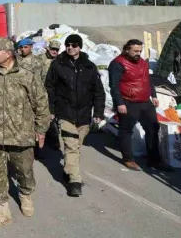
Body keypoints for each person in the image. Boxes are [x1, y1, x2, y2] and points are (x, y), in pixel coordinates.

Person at [0, 38, 50, 230]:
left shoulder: (27, 76)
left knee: (24, 171)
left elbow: (41, 103)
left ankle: (25, 194)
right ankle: (2, 210)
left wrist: (41, 129)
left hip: (21, 134)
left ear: (8, 53)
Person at [44, 34, 105, 197]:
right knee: (71, 145)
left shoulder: (90, 67)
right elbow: (49, 87)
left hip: (84, 114)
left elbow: (98, 91)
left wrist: (98, 112)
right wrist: (51, 109)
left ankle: (68, 169)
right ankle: (75, 181)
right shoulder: (58, 65)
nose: (71, 47)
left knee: (76, 146)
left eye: (75, 45)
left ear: (80, 47)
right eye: (68, 45)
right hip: (65, 112)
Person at [109, 39, 172, 172]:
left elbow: (148, 80)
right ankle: (128, 159)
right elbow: (114, 85)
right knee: (126, 131)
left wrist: (153, 95)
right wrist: (119, 103)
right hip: (128, 102)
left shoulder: (143, 63)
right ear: (127, 50)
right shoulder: (117, 64)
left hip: (145, 102)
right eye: (135, 51)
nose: (138, 53)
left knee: (153, 129)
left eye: (140, 51)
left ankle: (154, 160)